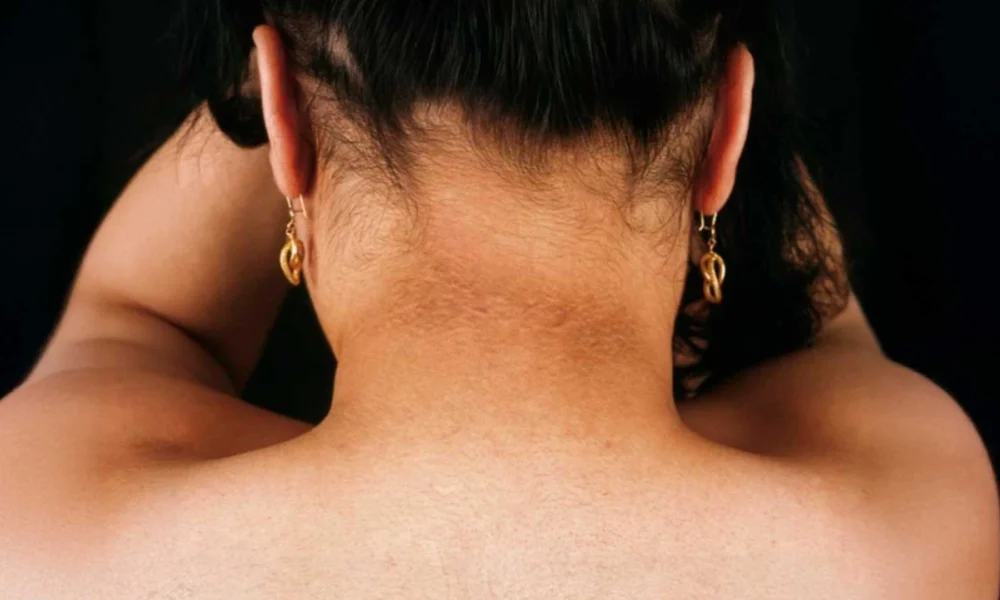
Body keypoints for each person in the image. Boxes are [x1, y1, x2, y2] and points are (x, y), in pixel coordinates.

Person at [1, 1, 996, 597]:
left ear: (281, 122)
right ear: (725, 130)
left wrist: (309, 80)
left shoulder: (52, 534)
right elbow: (813, 336)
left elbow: (134, 321)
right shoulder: (901, 528)